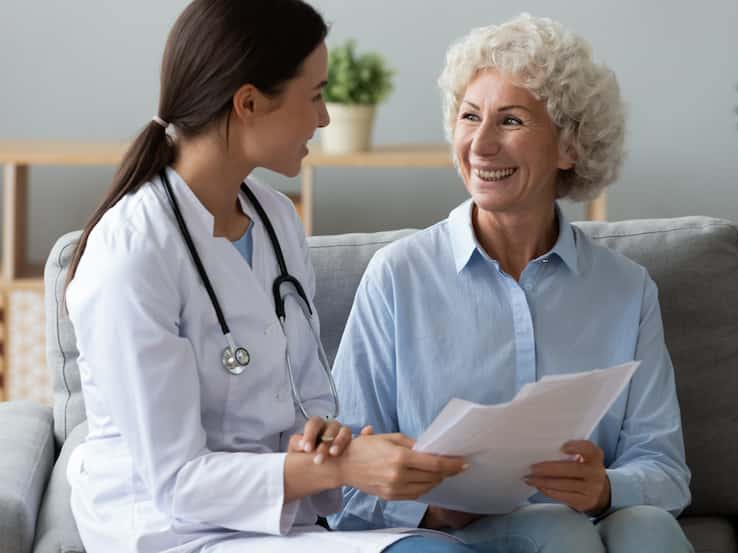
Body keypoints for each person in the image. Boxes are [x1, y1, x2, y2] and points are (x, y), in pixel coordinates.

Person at [63, 1, 471, 552]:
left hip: (274, 524)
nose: (324, 119)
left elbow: (304, 409)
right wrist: (341, 469)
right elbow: (178, 483)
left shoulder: (275, 219)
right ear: (250, 103)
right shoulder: (132, 252)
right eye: (316, 95)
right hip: (171, 530)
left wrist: (334, 446)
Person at [328, 13, 694, 553]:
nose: (480, 144)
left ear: (569, 146)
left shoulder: (626, 290)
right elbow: (340, 480)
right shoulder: (397, 275)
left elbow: (665, 470)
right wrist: (428, 504)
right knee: (560, 531)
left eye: (512, 121)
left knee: (650, 528)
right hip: (447, 537)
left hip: (582, 528)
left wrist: (604, 488)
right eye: (470, 116)